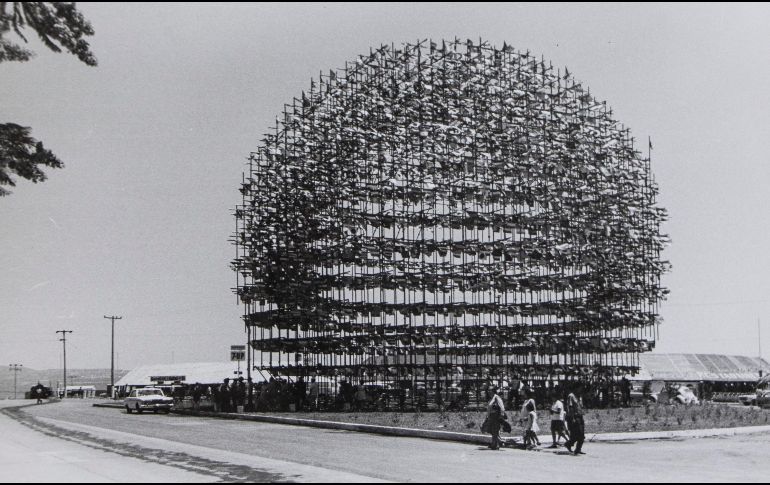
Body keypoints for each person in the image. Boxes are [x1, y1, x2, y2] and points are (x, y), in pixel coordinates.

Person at [564, 391, 586, 455]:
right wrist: (572, 418)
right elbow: (570, 407)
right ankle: (571, 445)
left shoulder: (580, 397)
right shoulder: (571, 396)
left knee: (581, 434)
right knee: (579, 434)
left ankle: (577, 448)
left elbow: (581, 407)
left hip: (580, 416)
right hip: (574, 417)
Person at [486, 385, 506, 450]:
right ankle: (497, 442)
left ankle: (496, 444)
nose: (489, 391)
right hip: (491, 416)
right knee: (490, 430)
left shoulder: (496, 397)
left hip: (496, 416)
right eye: (488, 390)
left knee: (494, 430)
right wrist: (487, 416)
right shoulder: (491, 398)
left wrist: (501, 416)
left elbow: (502, 407)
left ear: (494, 391)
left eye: (490, 390)